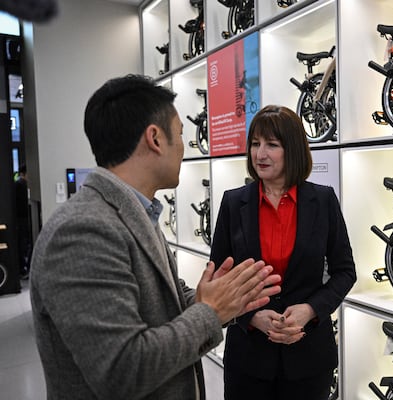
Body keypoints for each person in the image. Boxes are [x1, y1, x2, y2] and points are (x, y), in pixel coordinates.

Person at [29, 74, 282, 400]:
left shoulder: (134, 213)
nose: (183, 147)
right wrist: (211, 312)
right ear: (155, 138)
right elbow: (123, 371)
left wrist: (226, 300)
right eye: (179, 135)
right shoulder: (82, 230)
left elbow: (166, 302)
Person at [210, 105, 357, 400]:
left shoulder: (323, 200)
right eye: (255, 144)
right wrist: (251, 316)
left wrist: (311, 310)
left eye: (272, 145)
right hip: (248, 359)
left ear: (292, 150)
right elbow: (217, 278)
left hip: (309, 357)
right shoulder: (233, 203)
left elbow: (345, 272)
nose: (260, 154)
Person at [14, 163, 31, 279]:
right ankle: (23, 268)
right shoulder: (21, 185)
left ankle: (23, 268)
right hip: (23, 218)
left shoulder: (18, 185)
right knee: (23, 242)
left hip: (21, 218)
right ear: (23, 174)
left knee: (23, 242)